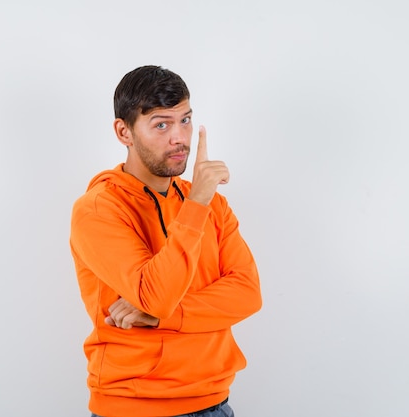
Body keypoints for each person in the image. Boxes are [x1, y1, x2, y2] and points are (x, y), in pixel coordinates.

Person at [70, 65, 262, 417]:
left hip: (214, 402)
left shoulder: (211, 204)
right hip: (133, 408)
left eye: (185, 120)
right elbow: (156, 295)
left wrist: (161, 317)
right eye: (161, 124)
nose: (180, 138)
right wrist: (197, 205)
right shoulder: (98, 209)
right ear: (123, 132)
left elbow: (247, 292)